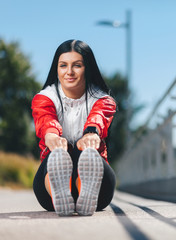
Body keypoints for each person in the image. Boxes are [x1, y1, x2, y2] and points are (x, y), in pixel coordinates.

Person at [31, 39, 116, 216]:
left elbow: (99, 116)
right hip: (48, 193)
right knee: (59, 154)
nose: (69, 72)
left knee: (86, 153)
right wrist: (52, 137)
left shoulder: (103, 100)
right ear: (57, 68)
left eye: (77, 65)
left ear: (88, 68)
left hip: (99, 194)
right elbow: (45, 119)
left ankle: (84, 189)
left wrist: (91, 133)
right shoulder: (44, 98)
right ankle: (57, 190)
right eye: (63, 65)